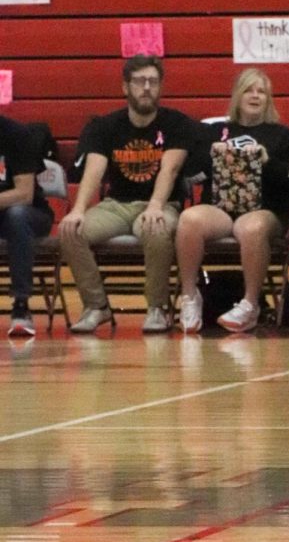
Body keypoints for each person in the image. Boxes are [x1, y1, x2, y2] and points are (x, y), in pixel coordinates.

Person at [59, 55, 195, 334]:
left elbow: (169, 169)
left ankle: (157, 308)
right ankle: (96, 306)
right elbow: (94, 172)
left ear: (160, 87)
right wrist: (79, 209)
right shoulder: (104, 126)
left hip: (161, 203)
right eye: (140, 81)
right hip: (116, 206)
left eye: (153, 82)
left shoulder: (176, 124)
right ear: (125, 87)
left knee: (156, 228)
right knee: (70, 230)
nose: (147, 87)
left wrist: (156, 205)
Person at [177, 68, 289, 334]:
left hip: (265, 210)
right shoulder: (214, 131)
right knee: (188, 220)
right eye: (249, 90)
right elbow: (192, 174)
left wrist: (268, 161)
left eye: (261, 91)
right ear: (237, 96)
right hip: (220, 208)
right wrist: (211, 155)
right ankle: (189, 297)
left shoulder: (283, 135)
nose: (255, 96)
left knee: (250, 228)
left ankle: (250, 304)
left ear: (269, 99)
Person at [0, 116, 55, 338]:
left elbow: (24, 194)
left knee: (17, 215)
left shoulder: (16, 134)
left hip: (30, 214)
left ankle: (21, 306)